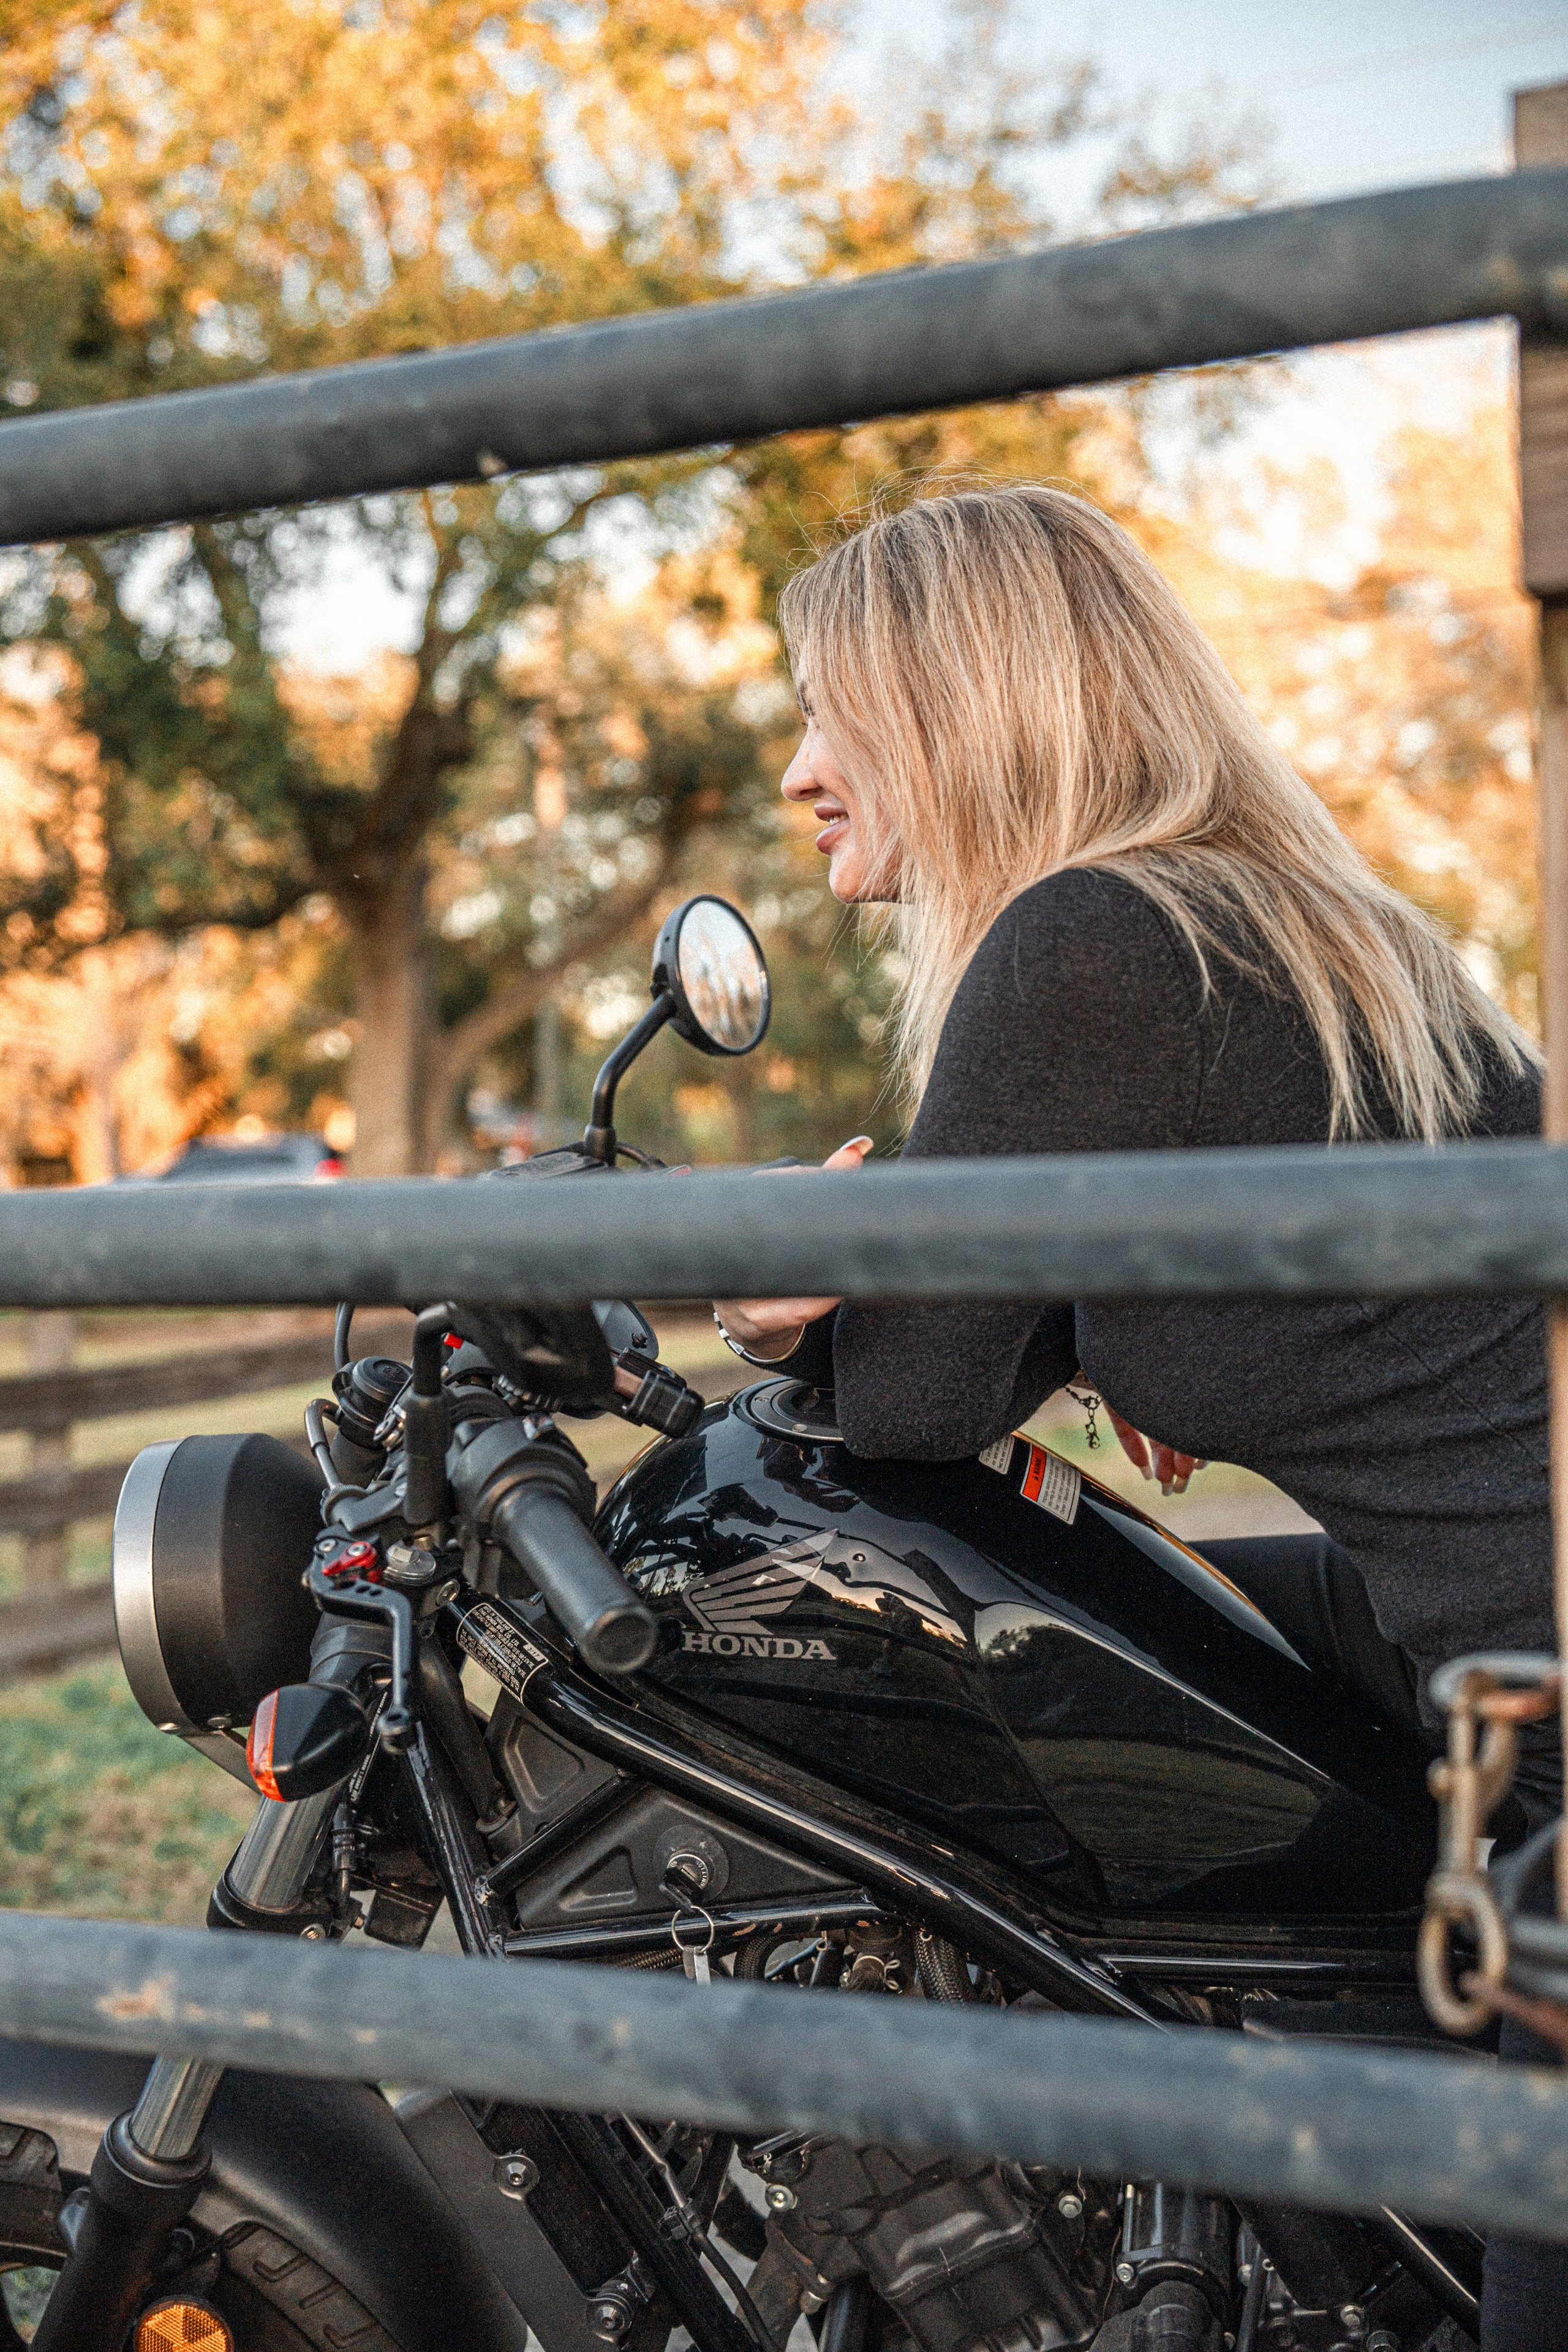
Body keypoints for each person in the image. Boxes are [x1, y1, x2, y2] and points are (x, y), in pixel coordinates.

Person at [710, 481, 1558, 2350]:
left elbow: (928, 1395)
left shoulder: (1088, 941)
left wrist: (790, 1294)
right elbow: (1020, 1338)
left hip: (1549, 1654)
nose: (800, 766)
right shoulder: (1275, 924)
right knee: (1147, 1645)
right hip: (1491, 1593)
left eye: (832, 706)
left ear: (963, 701)